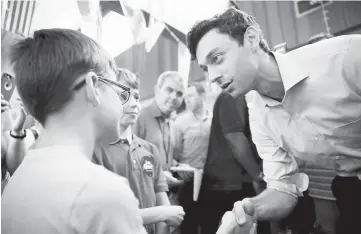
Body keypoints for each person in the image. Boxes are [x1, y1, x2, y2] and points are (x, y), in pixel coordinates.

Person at [186, 7, 361, 234]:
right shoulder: (258, 116)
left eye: (217, 58)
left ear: (251, 38)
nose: (212, 76)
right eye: (205, 68)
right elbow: (283, 187)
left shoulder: (347, 57)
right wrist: (252, 209)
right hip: (351, 190)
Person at [2, 28, 146, 234]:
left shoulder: (18, 182)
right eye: (121, 92)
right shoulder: (101, 192)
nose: (123, 101)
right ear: (92, 86)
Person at [93, 68, 185, 234]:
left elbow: (161, 201)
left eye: (136, 97)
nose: (133, 103)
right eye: (123, 96)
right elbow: (104, 216)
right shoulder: (95, 150)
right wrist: (161, 213)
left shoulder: (149, 150)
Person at [197, 91, 269, 234]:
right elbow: (234, 136)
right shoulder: (232, 95)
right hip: (229, 184)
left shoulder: (248, 97)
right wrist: (256, 174)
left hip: (233, 182)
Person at [172, 82, 212, 234]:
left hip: (210, 183)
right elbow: (173, 154)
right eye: (185, 96)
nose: (186, 100)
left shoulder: (213, 121)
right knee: (189, 226)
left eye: (191, 95)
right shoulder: (179, 123)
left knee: (209, 224)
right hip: (187, 183)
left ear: (202, 96)